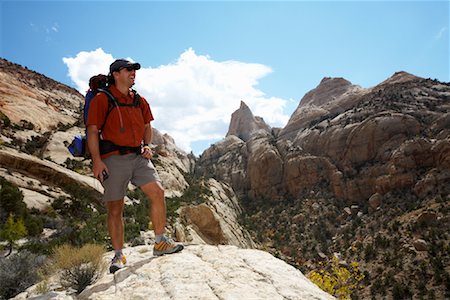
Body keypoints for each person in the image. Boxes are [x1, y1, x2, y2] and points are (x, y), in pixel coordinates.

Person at [86, 59, 183, 274]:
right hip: (112, 158)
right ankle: (119, 255)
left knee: (158, 192)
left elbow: (147, 126)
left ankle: (160, 243)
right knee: (115, 208)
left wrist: (146, 145)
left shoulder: (139, 100)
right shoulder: (102, 99)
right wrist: (97, 160)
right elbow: (92, 131)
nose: (133, 73)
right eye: (128, 70)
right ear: (116, 74)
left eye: (134, 70)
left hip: (138, 157)